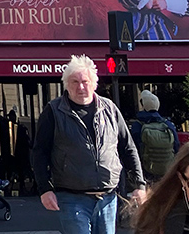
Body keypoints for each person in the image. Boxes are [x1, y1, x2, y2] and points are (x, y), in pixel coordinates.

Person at [32, 55, 146, 234]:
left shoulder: (110, 109)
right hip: (71, 197)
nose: (81, 87)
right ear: (66, 85)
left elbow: (128, 147)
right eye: (74, 82)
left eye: (85, 81)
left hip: (108, 197)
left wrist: (139, 184)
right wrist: (44, 189)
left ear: (94, 83)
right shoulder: (53, 111)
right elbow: (39, 153)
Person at [129, 90, 181, 183]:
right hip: (166, 168)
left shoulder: (138, 125)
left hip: (146, 169)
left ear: (143, 106)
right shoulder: (168, 124)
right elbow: (176, 146)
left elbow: (133, 148)